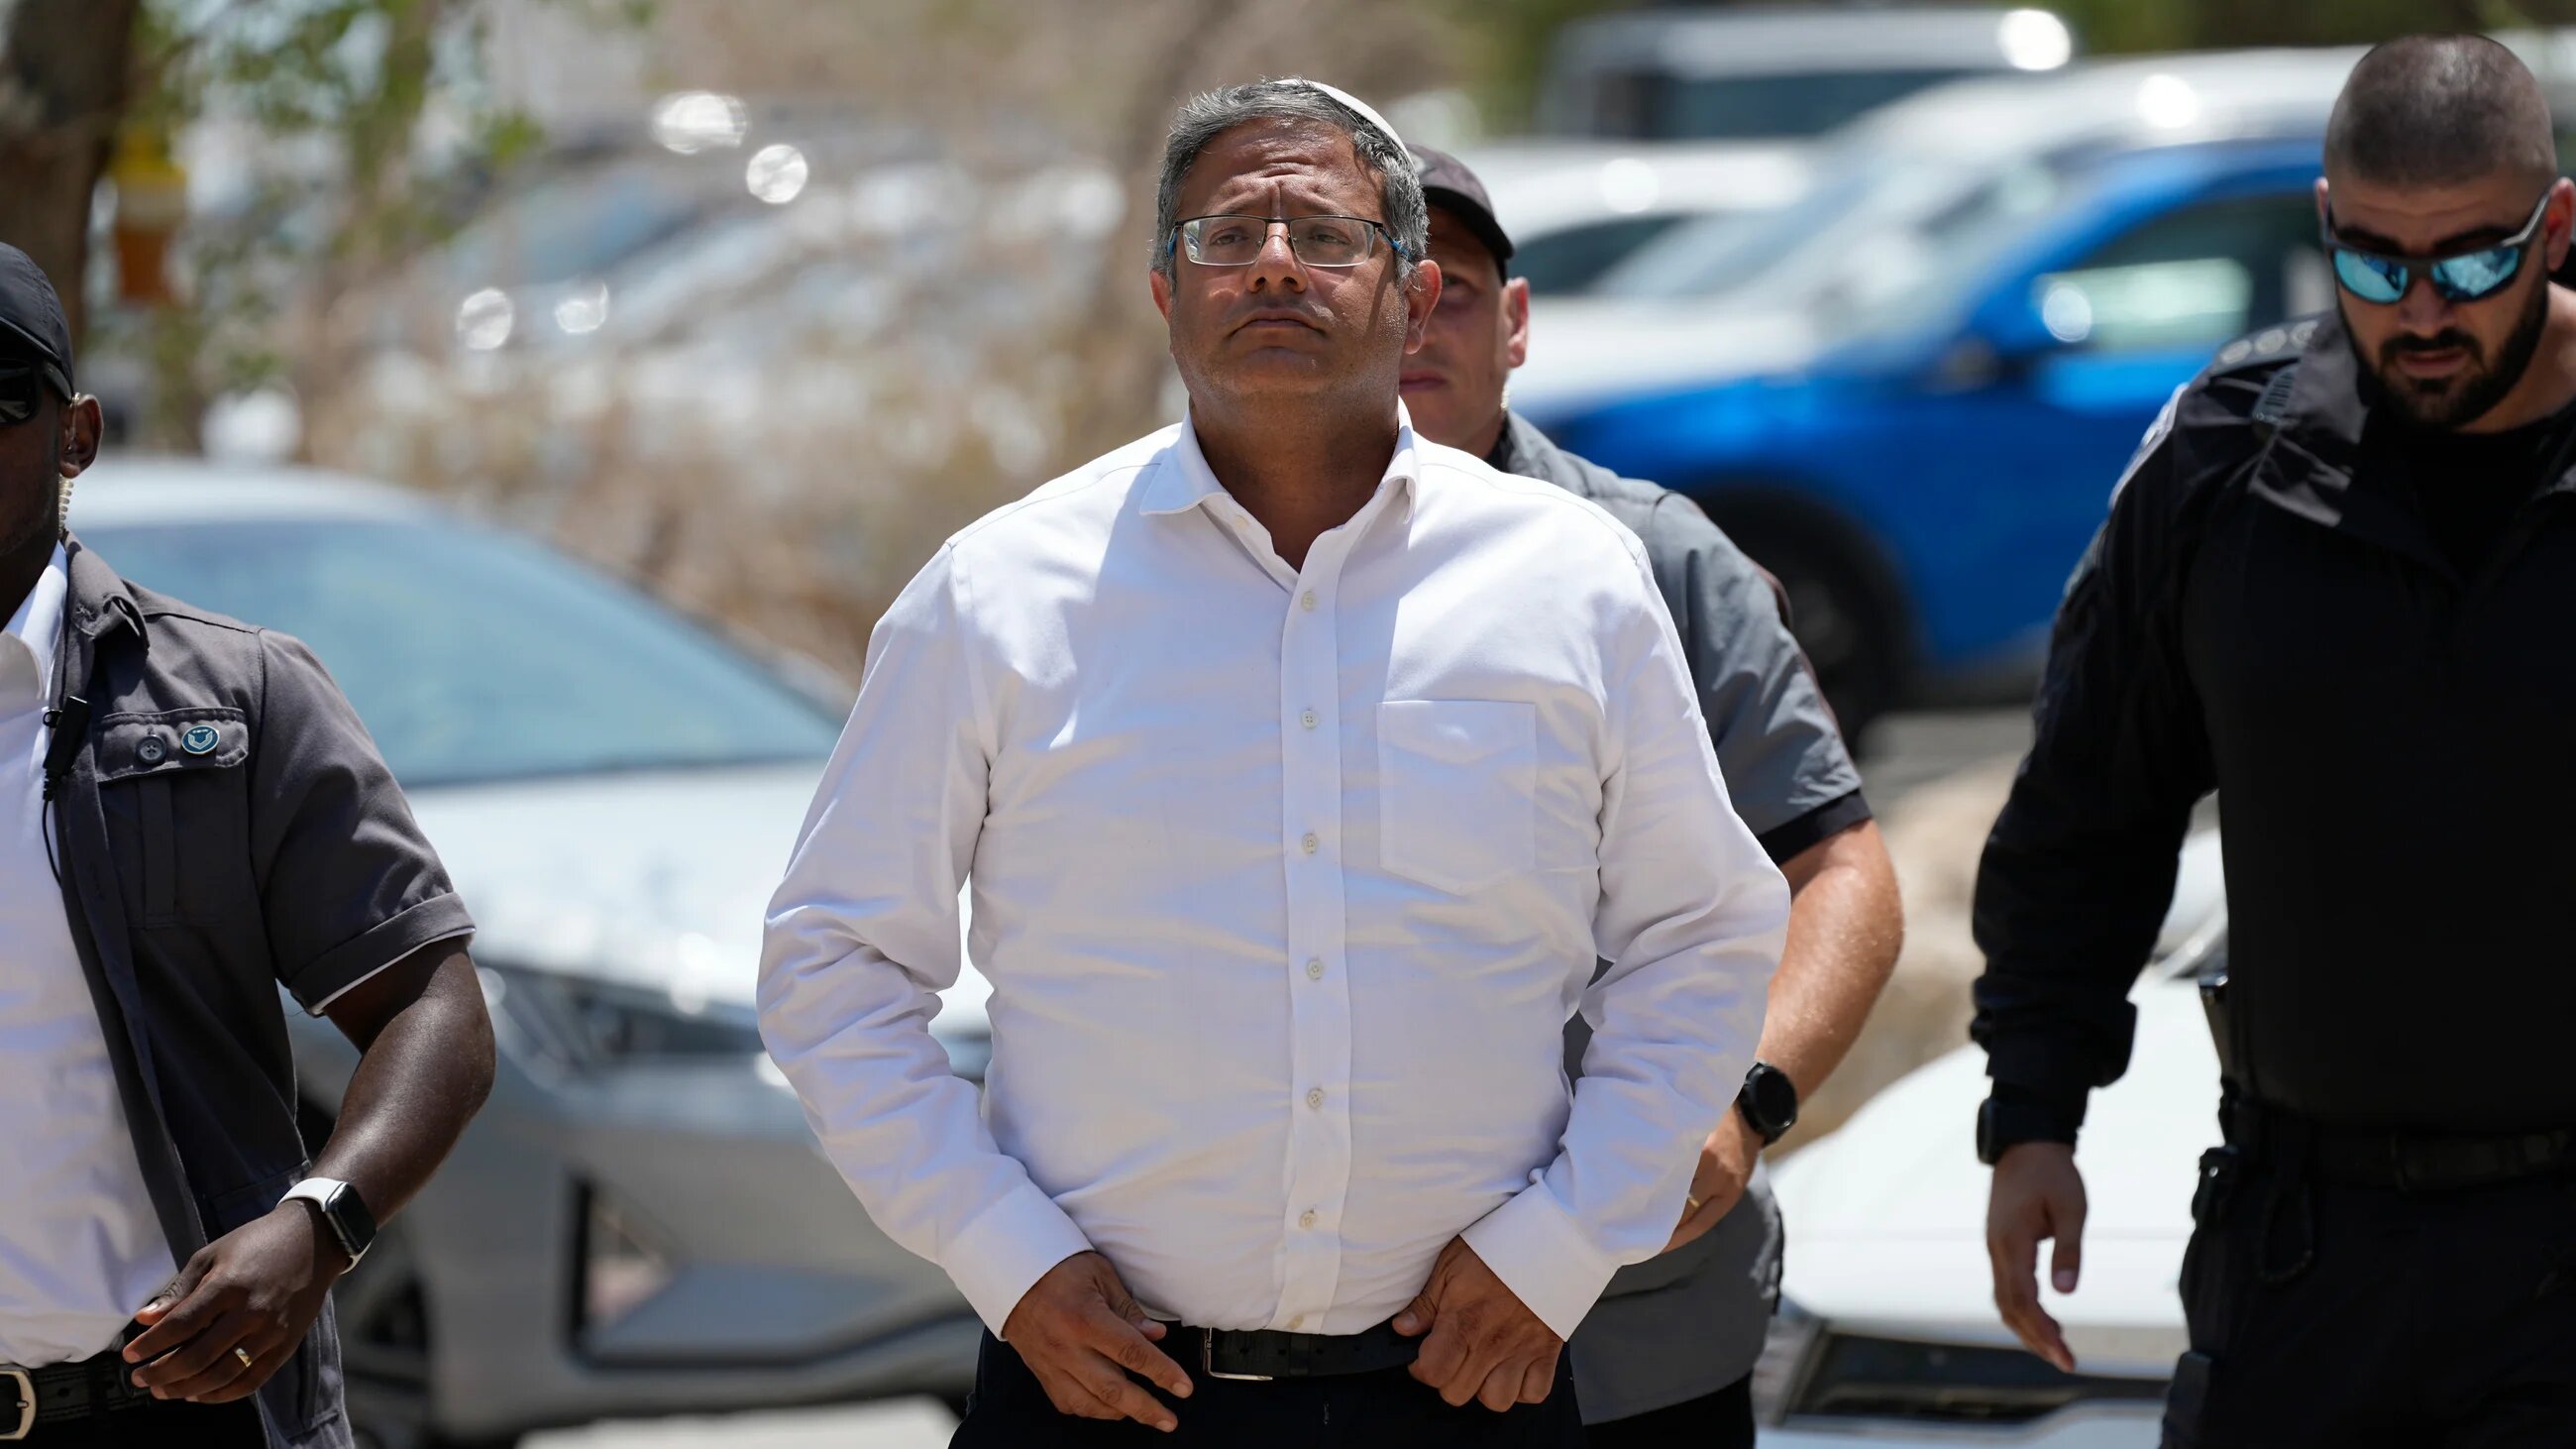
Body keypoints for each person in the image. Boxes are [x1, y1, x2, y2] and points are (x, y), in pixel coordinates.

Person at [759, 79, 1790, 1447]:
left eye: (1328, 232)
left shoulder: (1571, 582)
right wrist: (1006, 1257)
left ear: (1419, 299)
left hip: (1471, 1382)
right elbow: (833, 962)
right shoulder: (998, 593)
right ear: (1164, 293)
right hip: (1101, 1389)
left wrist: (1562, 1242)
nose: (1275, 266)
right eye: (1227, 235)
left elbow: (1701, 934)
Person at [1971, 36, 2576, 1447]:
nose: (2421, 309)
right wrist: (2034, 1110)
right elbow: (2088, 809)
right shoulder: (2227, 464)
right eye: (2374, 263)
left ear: (2557, 229)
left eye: (2473, 263)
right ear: (2325, 226)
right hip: (2311, 1244)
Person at [1397, 145, 1903, 1447]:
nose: (1410, 323)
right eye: (1377, 283)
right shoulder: (1211, 577)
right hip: (1293, 1347)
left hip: (1629, 1338)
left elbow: (1836, 866)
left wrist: (1747, 1104)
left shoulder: (1662, 566)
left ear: (1515, 324)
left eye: (1448, 288)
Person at [0, 244, 495, 1447]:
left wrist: (317, 1225)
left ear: (77, 436)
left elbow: (434, 1009)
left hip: (179, 1407)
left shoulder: (231, 700)